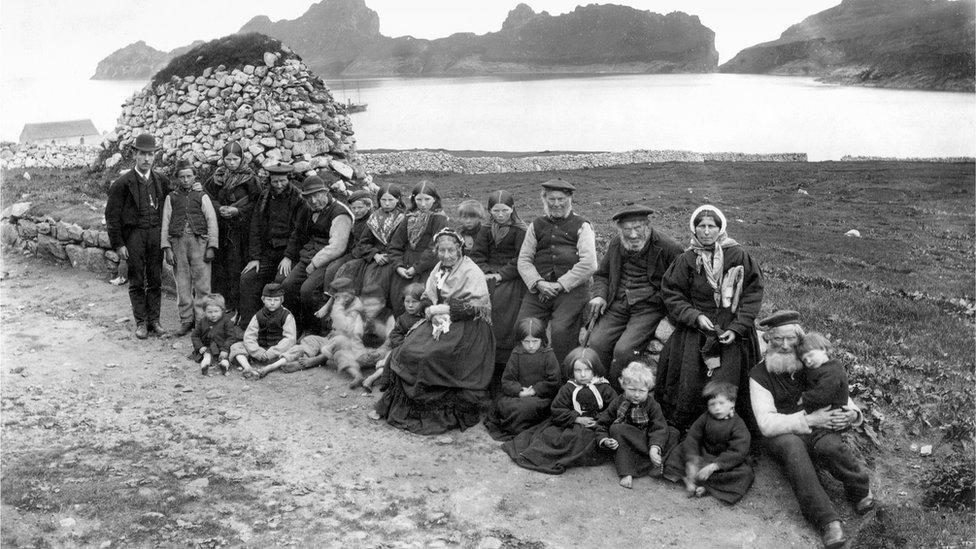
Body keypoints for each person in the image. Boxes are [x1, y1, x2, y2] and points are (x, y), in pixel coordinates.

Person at [749, 311, 874, 549]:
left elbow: (834, 384)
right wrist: (811, 419)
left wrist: (852, 413)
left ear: (800, 340)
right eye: (777, 340)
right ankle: (827, 521)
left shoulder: (809, 362)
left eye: (791, 340)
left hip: (818, 431)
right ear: (768, 340)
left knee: (829, 446)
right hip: (782, 435)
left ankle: (859, 490)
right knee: (793, 446)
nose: (785, 346)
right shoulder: (759, 375)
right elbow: (766, 424)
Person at [373, 228, 495, 434]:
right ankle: (394, 405)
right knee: (407, 349)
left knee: (430, 355)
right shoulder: (438, 268)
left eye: (450, 251)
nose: (446, 255)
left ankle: (431, 409)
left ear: (459, 251)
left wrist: (444, 309)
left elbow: (477, 306)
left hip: (467, 326)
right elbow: (427, 296)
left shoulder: (471, 271)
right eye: (441, 251)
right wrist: (431, 310)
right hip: (438, 320)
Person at [656, 204, 764, 433]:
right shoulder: (687, 259)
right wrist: (694, 316)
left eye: (711, 226)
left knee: (730, 374)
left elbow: (752, 294)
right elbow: (672, 293)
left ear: (720, 228)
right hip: (699, 326)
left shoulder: (738, 255)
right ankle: (694, 428)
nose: (706, 231)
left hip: (733, 327)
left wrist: (737, 328)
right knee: (689, 372)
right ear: (694, 230)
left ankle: (731, 429)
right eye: (701, 226)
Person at [586, 205, 683, 390]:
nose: (632, 235)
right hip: (618, 304)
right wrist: (599, 296)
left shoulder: (668, 247)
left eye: (637, 228)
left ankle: (617, 394)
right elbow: (602, 275)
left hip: (648, 308)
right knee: (596, 343)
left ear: (647, 226)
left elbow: (680, 282)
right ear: (620, 230)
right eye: (627, 229)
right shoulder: (616, 244)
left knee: (623, 350)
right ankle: (597, 391)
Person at [516, 179, 598, 363]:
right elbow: (524, 259)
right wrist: (538, 283)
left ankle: (563, 378)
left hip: (572, 291)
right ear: (544, 199)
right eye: (551, 199)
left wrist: (560, 284)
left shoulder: (582, 225)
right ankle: (533, 373)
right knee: (524, 326)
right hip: (540, 289)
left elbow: (590, 264)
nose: (556, 204)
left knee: (561, 331)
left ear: (570, 199)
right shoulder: (536, 225)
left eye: (561, 199)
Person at [502, 347, 617, 475]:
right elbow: (557, 409)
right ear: (572, 371)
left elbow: (614, 408)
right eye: (578, 370)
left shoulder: (604, 387)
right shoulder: (568, 388)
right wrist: (576, 419)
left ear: (595, 370)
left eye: (587, 370)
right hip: (571, 423)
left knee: (589, 439)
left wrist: (599, 420)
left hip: (597, 425)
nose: (583, 375)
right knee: (556, 438)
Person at [104, 133, 171, 339]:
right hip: (134, 236)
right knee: (137, 280)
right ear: (135, 154)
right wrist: (118, 244)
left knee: (155, 279)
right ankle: (141, 322)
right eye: (142, 154)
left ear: (155, 156)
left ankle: (155, 321)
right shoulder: (122, 184)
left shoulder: (161, 180)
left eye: (150, 155)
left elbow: (171, 206)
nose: (146, 159)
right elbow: (112, 216)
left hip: (155, 235)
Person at [469, 190, 529, 390]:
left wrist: (501, 274)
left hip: (511, 277)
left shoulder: (520, 230)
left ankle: (502, 363)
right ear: (490, 210)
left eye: (505, 210)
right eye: (496, 210)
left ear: (512, 209)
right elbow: (477, 254)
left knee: (501, 307)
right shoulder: (486, 229)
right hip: (486, 274)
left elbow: (522, 258)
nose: (501, 214)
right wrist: (485, 272)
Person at [281, 174, 353, 334]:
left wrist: (315, 263)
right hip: (308, 255)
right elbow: (298, 233)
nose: (313, 201)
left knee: (308, 291)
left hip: (329, 260)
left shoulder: (340, 214)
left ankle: (315, 329)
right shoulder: (308, 208)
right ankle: (296, 327)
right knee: (287, 286)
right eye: (309, 197)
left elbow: (337, 247)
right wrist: (288, 256)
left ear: (326, 192)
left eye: (317, 196)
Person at [663, 381, 754, 504]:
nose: (717, 408)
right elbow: (693, 437)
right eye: (712, 404)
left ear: (732, 403)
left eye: (721, 403)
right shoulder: (705, 418)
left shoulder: (738, 425)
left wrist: (714, 466)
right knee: (681, 448)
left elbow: (739, 451)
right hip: (703, 456)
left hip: (722, 463)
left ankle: (706, 486)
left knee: (745, 473)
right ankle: (691, 478)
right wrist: (692, 461)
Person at [239, 163, 307, 327]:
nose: (279, 185)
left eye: (282, 181)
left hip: (287, 254)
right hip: (267, 253)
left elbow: (298, 232)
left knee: (280, 283)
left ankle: (282, 327)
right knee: (247, 278)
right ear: (270, 180)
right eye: (275, 181)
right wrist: (254, 258)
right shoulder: (264, 197)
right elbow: (255, 227)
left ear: (288, 179)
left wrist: (289, 257)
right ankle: (249, 326)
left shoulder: (298, 199)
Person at [595, 361, 677, 489]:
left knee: (673, 432)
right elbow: (602, 424)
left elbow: (659, 427)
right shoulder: (618, 403)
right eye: (632, 389)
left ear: (648, 390)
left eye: (641, 391)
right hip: (626, 444)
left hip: (646, 442)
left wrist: (655, 447)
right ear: (623, 386)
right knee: (616, 429)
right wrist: (605, 440)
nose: (637, 395)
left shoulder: (652, 405)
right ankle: (627, 472)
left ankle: (653, 461)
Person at [161, 160, 219, 336]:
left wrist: (211, 246)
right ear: (177, 178)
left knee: (202, 284)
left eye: (189, 176)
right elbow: (165, 223)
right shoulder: (171, 197)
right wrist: (167, 248)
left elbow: (212, 221)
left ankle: (202, 321)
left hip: (199, 243)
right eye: (182, 177)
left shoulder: (202, 196)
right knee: (183, 283)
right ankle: (186, 320)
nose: (186, 180)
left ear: (194, 177)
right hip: (178, 244)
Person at [483, 317, 561, 441]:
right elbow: (507, 380)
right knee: (505, 405)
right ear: (520, 340)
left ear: (542, 339)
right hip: (518, 395)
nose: (531, 346)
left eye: (535, 341)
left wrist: (534, 390)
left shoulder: (548, 354)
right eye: (526, 341)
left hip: (540, 397)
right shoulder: (517, 353)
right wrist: (519, 391)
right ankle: (515, 428)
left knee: (529, 407)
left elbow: (554, 381)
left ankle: (521, 429)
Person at [205, 141, 260, 317]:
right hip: (221, 227)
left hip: (240, 230)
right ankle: (223, 302)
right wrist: (218, 208)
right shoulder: (218, 176)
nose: (231, 163)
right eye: (227, 159)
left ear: (241, 158)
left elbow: (257, 203)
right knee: (220, 266)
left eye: (235, 159)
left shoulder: (250, 178)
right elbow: (208, 196)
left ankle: (238, 304)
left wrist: (238, 210)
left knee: (236, 265)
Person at [387, 180, 449, 317]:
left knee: (421, 301)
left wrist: (415, 268)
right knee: (398, 299)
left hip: (426, 268)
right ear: (413, 199)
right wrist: (398, 266)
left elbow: (435, 248)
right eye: (419, 199)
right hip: (404, 267)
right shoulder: (409, 217)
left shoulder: (439, 219)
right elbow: (395, 245)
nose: (423, 204)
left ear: (435, 199)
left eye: (427, 199)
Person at [363, 282, 425, 393]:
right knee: (391, 359)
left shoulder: (426, 318)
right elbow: (395, 335)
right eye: (407, 301)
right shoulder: (402, 319)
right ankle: (372, 378)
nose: (410, 305)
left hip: (418, 351)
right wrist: (402, 344)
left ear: (423, 302)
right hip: (402, 349)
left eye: (414, 302)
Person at [355, 184, 406, 310]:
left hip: (396, 259)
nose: (387, 203)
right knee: (367, 283)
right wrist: (375, 255)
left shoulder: (404, 219)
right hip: (376, 258)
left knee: (387, 287)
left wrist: (392, 256)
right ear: (379, 200)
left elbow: (406, 243)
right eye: (383, 200)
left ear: (398, 199)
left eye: (391, 200)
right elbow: (363, 243)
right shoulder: (374, 218)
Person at [232, 283, 296, 379]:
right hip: (260, 352)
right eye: (269, 300)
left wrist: (272, 353)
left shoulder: (286, 316)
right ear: (263, 299)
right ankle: (248, 368)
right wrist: (257, 352)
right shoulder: (258, 315)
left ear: (282, 300)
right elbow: (249, 336)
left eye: (276, 300)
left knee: (297, 350)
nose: (272, 303)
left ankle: (270, 367)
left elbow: (289, 338)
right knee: (236, 346)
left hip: (277, 354)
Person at [330, 190, 376, 289]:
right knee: (332, 267)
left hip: (366, 256)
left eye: (360, 207)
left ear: (369, 206)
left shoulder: (372, 221)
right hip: (355, 252)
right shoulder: (358, 219)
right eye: (353, 208)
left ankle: (335, 297)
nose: (356, 211)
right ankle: (329, 297)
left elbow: (367, 243)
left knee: (344, 270)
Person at [797, 332, 849, 414]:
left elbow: (824, 393)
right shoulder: (816, 368)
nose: (809, 361)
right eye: (805, 360)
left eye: (810, 355)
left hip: (834, 415)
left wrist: (803, 398)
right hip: (820, 413)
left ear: (823, 349)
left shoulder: (834, 369)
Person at [190, 294, 240, 376]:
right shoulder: (203, 321)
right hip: (208, 346)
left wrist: (225, 349)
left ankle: (224, 365)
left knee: (225, 357)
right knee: (207, 353)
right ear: (204, 311)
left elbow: (231, 337)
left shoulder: (227, 321)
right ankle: (205, 364)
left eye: (216, 311)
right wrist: (200, 346)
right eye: (209, 312)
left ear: (222, 310)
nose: (213, 315)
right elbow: (195, 335)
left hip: (222, 346)